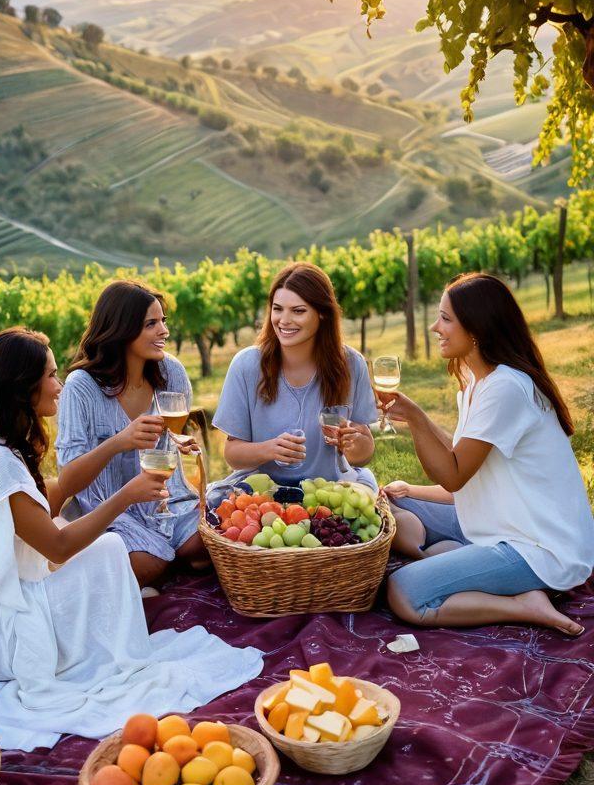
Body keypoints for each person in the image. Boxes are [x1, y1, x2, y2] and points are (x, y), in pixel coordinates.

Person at [0, 327, 262, 750]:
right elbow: (57, 547)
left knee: (101, 551)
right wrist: (127, 494)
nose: (58, 384)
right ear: (20, 387)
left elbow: (49, 499)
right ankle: (111, 649)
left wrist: (120, 446)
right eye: (49, 375)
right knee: (109, 550)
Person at [375, 272, 594, 636]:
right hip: (501, 522)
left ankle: (525, 605)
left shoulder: (506, 388)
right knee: (392, 508)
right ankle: (455, 560)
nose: (435, 327)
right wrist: (410, 489)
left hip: (538, 548)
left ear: (475, 328)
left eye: (445, 318)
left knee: (404, 592)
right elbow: (465, 462)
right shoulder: (479, 384)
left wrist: (414, 419)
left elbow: (453, 475)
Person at [55, 281, 205, 588]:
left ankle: (168, 559)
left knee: (211, 543)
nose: (164, 331)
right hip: (109, 508)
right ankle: (157, 563)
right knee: (149, 564)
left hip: (169, 500)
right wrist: (119, 442)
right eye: (151, 324)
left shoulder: (171, 373)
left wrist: (182, 443)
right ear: (121, 329)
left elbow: (172, 440)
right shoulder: (81, 386)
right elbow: (68, 479)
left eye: (163, 321)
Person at [209, 262, 378, 501]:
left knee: (410, 532)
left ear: (322, 313)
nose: (284, 320)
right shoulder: (247, 365)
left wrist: (352, 443)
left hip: (331, 492)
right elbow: (232, 454)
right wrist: (269, 449)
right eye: (278, 309)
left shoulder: (351, 364)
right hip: (261, 494)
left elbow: (364, 454)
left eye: (298, 311)